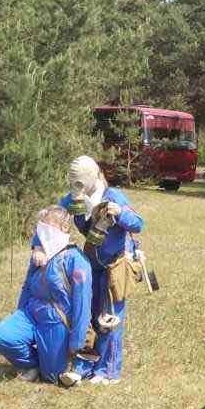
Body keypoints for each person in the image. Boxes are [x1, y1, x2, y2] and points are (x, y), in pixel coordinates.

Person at [61, 155, 145, 384]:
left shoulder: (113, 196)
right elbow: (55, 215)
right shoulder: (76, 197)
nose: (78, 185)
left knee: (109, 319)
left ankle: (108, 371)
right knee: (89, 317)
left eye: (80, 181)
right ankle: (87, 365)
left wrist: (120, 213)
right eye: (74, 181)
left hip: (113, 266)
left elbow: (138, 224)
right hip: (90, 266)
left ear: (92, 177)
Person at [0, 206, 93, 386]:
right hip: (31, 313)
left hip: (56, 320)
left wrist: (76, 342)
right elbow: (27, 285)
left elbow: (82, 303)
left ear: (64, 228)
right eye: (41, 226)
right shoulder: (40, 254)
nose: (43, 231)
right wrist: (19, 313)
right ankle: (30, 365)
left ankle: (77, 365)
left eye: (48, 226)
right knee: (1, 337)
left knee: (52, 377)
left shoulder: (76, 260)